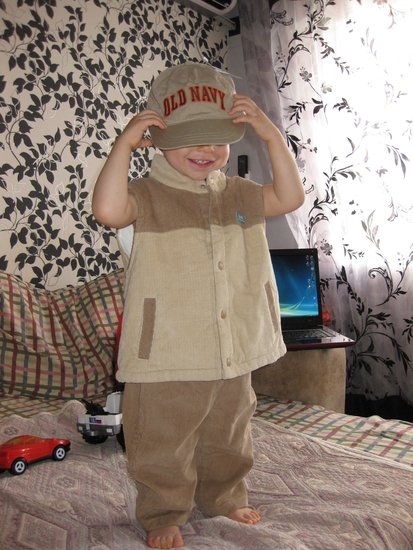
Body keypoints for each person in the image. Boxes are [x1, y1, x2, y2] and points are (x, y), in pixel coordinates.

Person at [92, 62, 304, 549]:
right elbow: (106, 210)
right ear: (157, 138)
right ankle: (164, 511)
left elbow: (290, 197)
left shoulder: (241, 195)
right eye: (192, 138)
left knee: (229, 431)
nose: (207, 149)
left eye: (217, 137)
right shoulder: (147, 196)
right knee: (163, 438)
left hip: (232, 348)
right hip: (167, 352)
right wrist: (123, 145)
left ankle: (223, 495)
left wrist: (271, 135)